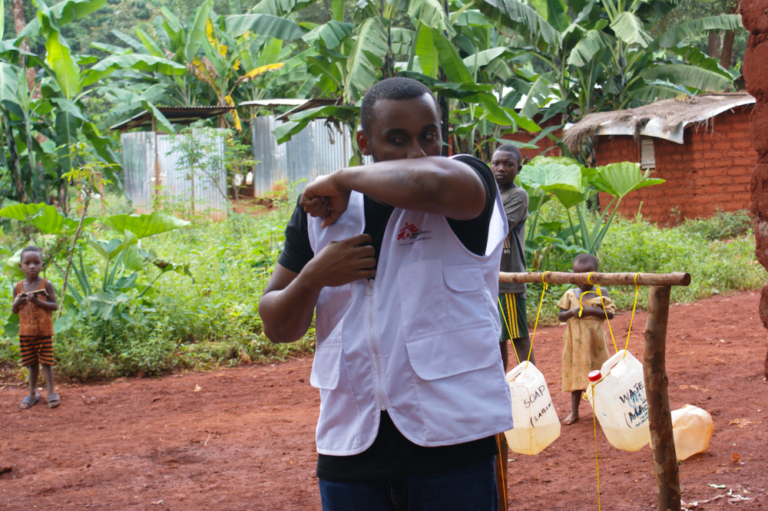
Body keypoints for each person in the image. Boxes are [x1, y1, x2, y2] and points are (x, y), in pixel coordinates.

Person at [259, 77, 513, 511]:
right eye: (397, 140)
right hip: (349, 450)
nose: (417, 152)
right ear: (365, 141)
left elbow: (431, 183)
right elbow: (276, 325)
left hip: (453, 445)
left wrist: (341, 177)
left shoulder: (467, 184)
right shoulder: (322, 215)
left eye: (428, 136)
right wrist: (314, 276)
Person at [490, 143, 528, 511]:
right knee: (498, 340)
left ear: (519, 167)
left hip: (510, 281)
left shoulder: (516, 196)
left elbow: (498, 224)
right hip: (490, 281)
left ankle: (529, 386)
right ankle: (505, 392)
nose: (501, 168)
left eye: (508, 164)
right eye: (496, 163)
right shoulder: (489, 194)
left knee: (517, 338)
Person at [556, 253, 615, 425]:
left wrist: (590, 311)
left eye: (587, 275)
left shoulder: (601, 292)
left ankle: (603, 411)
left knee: (598, 374)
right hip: (575, 342)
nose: (582, 280)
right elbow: (561, 316)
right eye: (578, 276)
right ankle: (574, 412)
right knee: (576, 374)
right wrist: (571, 312)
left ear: (596, 274)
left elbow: (610, 314)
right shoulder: (570, 294)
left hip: (595, 341)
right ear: (573, 275)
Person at [13, 246, 60, 409]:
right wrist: (17, 303)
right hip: (25, 333)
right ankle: (32, 393)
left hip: (43, 332)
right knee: (31, 364)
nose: (32, 266)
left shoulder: (46, 284)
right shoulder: (18, 287)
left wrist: (37, 301)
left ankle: (51, 392)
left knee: (46, 363)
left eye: (36, 263)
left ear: (42, 265)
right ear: (21, 266)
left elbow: (54, 306)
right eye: (27, 263)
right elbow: (14, 310)